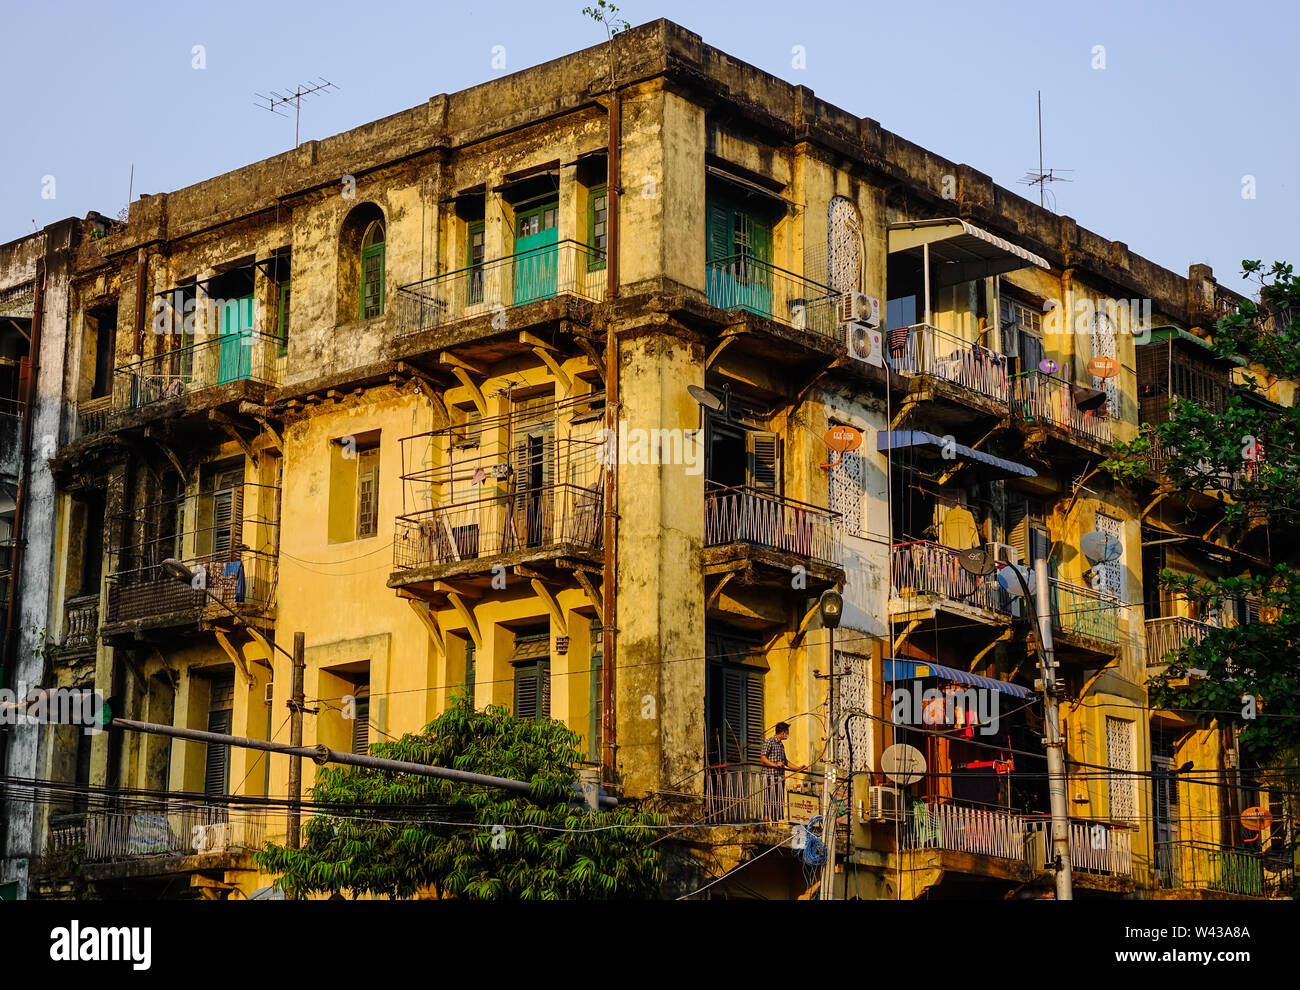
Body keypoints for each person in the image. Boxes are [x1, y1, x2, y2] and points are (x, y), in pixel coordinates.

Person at [760, 722, 804, 822]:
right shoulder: (769, 741)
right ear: (783, 732)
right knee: (768, 801)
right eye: (787, 732)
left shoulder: (781, 745)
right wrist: (775, 765)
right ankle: (766, 826)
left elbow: (786, 762)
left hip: (779, 777)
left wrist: (798, 768)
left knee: (777, 801)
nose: (788, 735)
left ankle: (775, 824)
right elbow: (763, 758)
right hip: (769, 776)